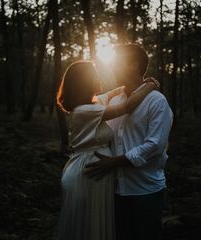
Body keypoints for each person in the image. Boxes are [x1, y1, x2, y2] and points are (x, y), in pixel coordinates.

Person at [55, 60, 160, 240]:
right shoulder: (85, 110)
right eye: (94, 75)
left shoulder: (94, 103)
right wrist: (150, 86)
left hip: (94, 173)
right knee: (89, 229)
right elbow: (127, 107)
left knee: (93, 227)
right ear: (84, 82)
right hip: (88, 174)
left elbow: (115, 92)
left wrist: (134, 85)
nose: (99, 77)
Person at [85, 44, 174, 240]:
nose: (112, 69)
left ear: (134, 65)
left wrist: (114, 162)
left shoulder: (156, 101)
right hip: (115, 192)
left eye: (117, 64)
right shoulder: (114, 103)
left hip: (145, 191)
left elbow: (155, 146)